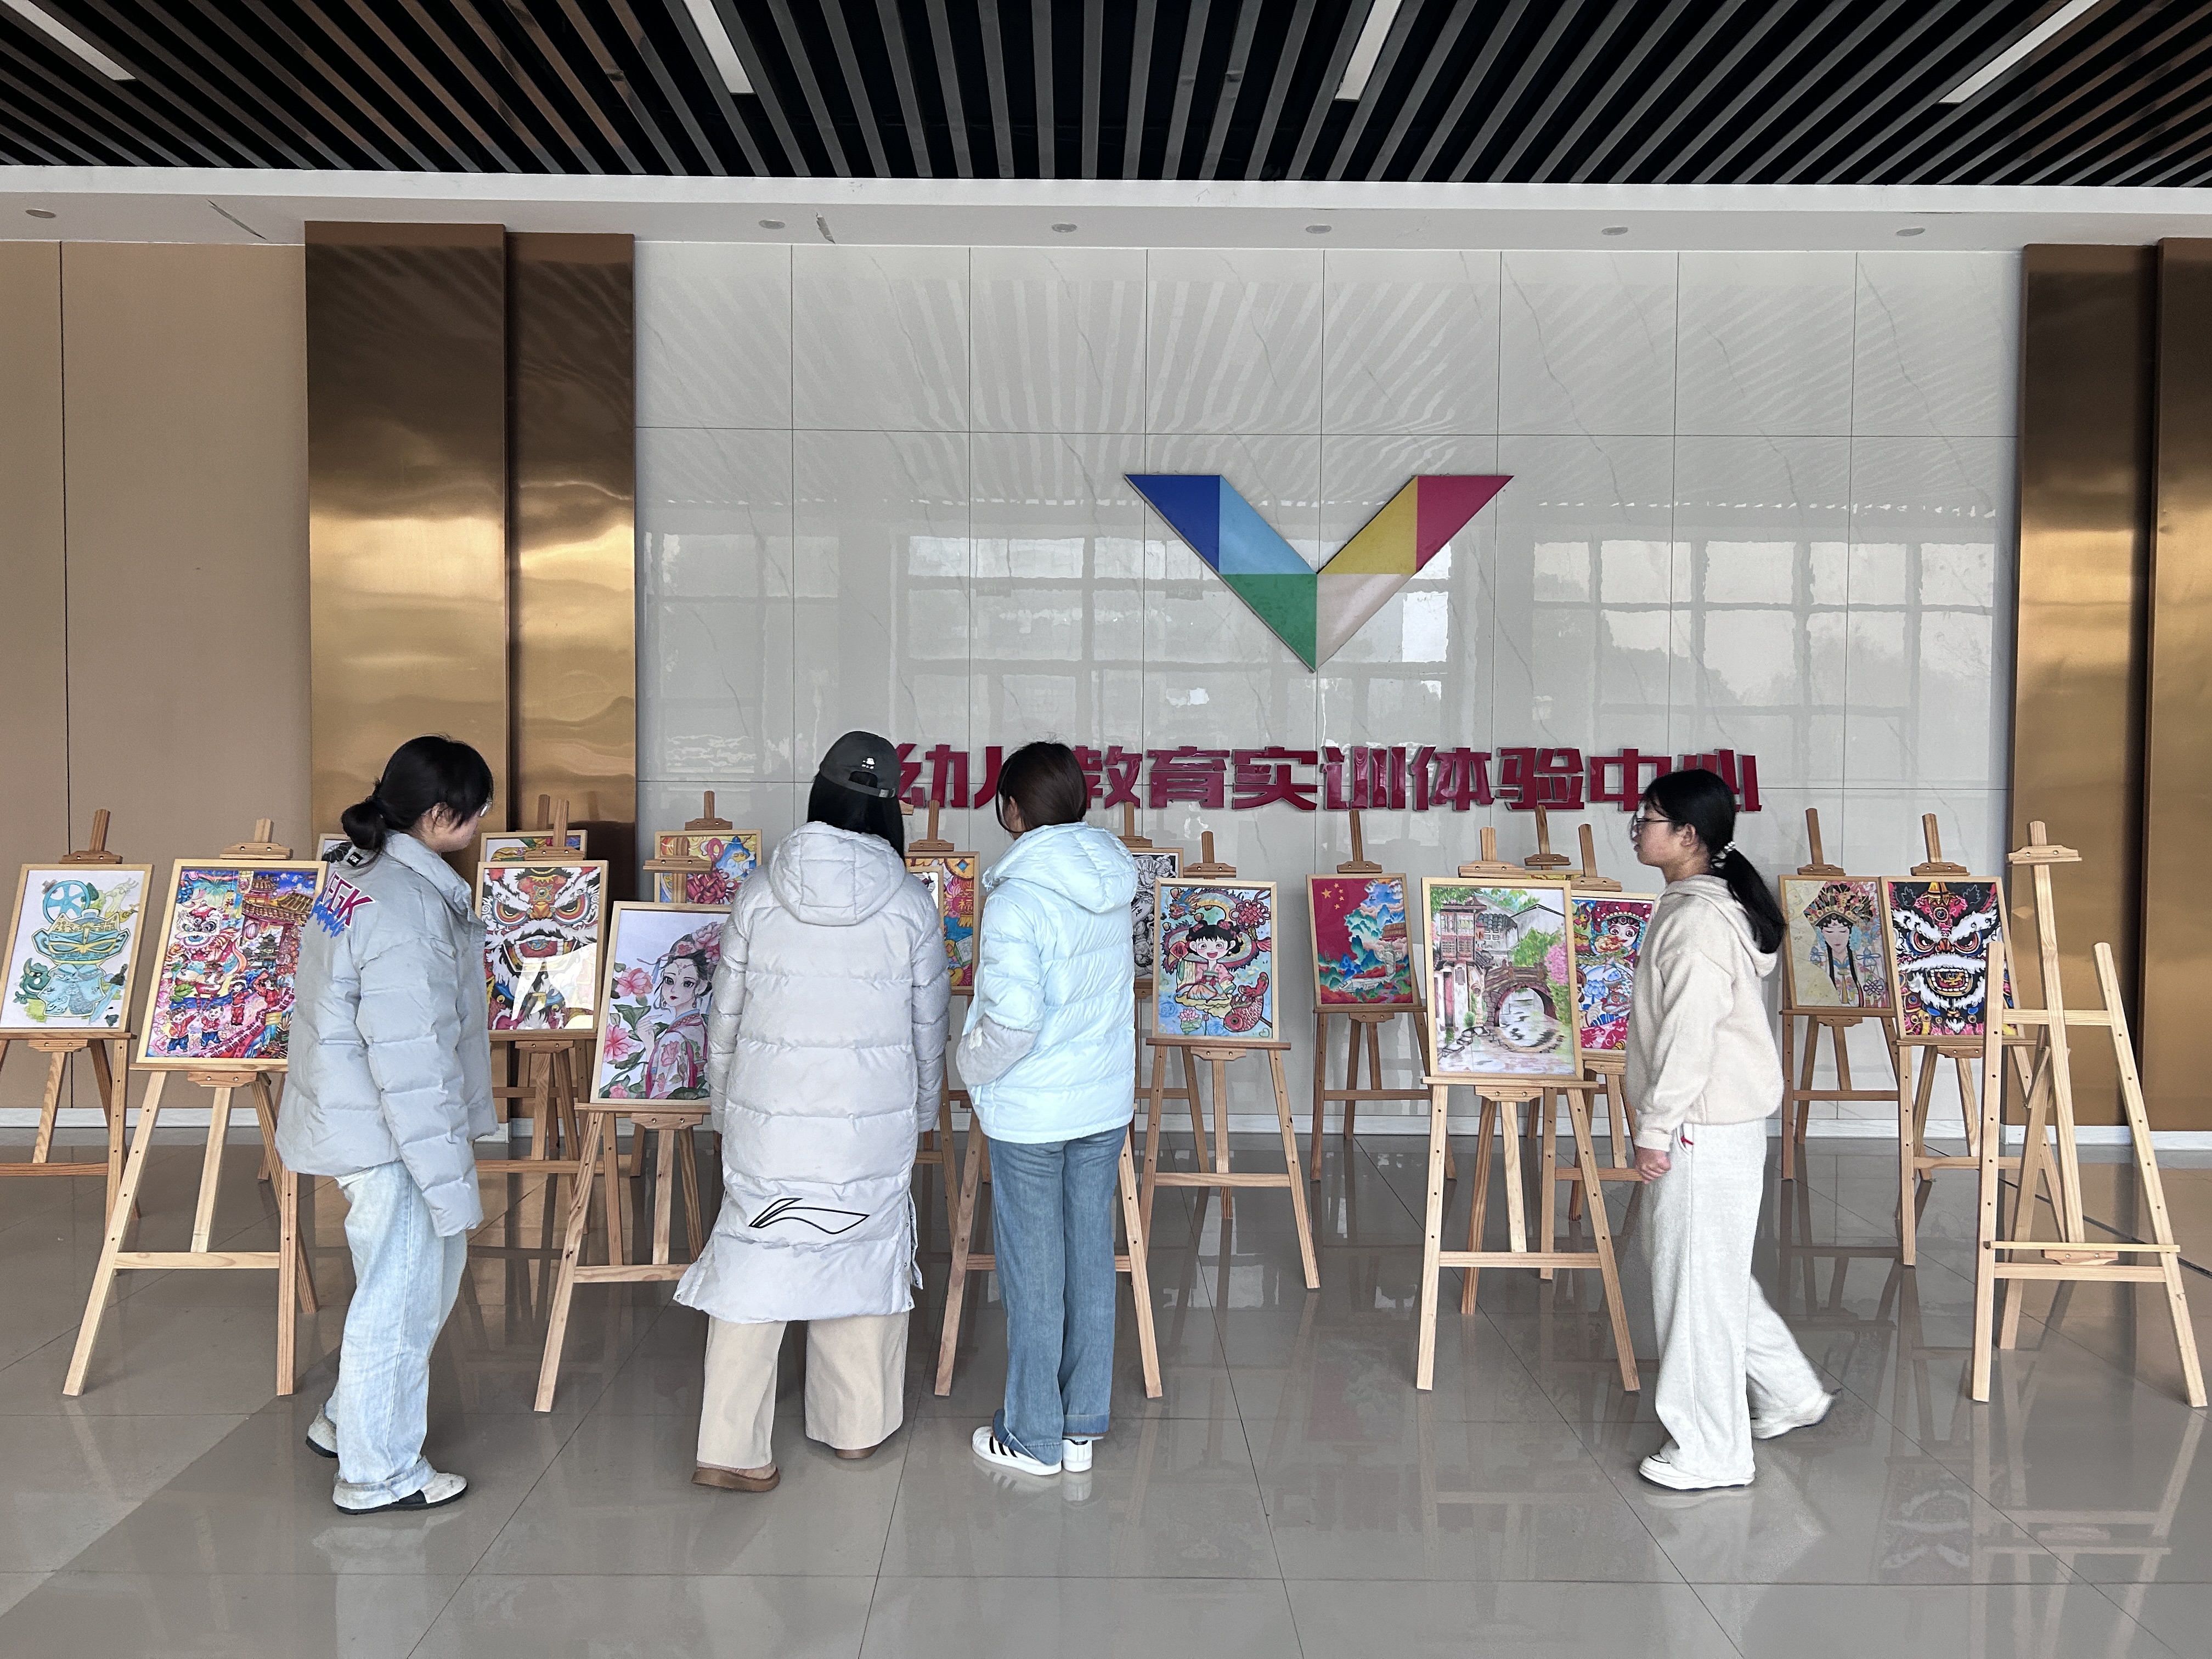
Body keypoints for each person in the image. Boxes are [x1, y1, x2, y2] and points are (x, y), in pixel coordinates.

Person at [675, 731, 949, 1492]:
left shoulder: (760, 894)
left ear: (819, 795)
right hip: (870, 1122)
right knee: (860, 1252)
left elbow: (723, 1020)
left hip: (768, 1121)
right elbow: (930, 1030)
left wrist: (725, 1110)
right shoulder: (910, 904)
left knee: (755, 1263)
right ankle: (854, 1429)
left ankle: (729, 1447)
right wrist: (923, 1114)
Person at [276, 735, 496, 1513]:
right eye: (475, 811)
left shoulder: (356, 873)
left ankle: (346, 1421)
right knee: (400, 1301)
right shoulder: (407, 909)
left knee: (408, 1284)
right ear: (439, 814)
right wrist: (445, 1174)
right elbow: (413, 1062)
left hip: (357, 1118)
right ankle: (379, 1473)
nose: (481, 824)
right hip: (391, 1132)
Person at [1627, 768, 1836, 1492]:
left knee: (1692, 1289)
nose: (1637, 829)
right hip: (1721, 1123)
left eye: (1650, 819)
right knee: (1706, 1274)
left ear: (1689, 835)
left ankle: (1712, 1449)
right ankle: (1790, 1392)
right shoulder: (1707, 906)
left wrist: (1657, 1126)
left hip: (1699, 1124)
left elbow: (1690, 1036)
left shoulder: (1694, 920)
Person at [956, 742, 1139, 1477]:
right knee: (1090, 1258)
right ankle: (1080, 1425)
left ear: (1012, 810)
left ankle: (1033, 1435)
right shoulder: (1113, 883)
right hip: (1102, 1103)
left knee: (1034, 1273)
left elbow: (1013, 1024)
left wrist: (968, 1067)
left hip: (1033, 1112)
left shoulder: (1016, 899)